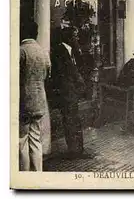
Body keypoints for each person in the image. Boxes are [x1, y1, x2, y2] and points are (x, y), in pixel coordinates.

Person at [50, 26, 91, 159]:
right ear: (68, 38)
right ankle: (74, 150)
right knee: (70, 120)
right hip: (66, 93)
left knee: (74, 120)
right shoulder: (59, 51)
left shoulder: (71, 51)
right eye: (75, 36)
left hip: (71, 92)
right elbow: (63, 75)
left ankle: (78, 149)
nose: (77, 38)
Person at [19, 21, 51, 171]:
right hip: (40, 101)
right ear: (36, 34)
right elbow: (47, 75)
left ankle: (24, 175)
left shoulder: (21, 51)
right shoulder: (43, 51)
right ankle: (38, 173)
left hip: (24, 101)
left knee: (22, 140)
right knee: (35, 138)